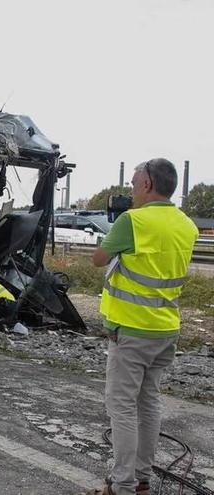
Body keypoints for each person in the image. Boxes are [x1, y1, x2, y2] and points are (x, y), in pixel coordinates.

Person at [86, 159, 198, 495]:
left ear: (147, 184)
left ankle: (121, 485)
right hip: (165, 330)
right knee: (148, 403)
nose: (132, 191)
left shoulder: (132, 221)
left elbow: (98, 259)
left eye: (135, 184)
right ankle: (142, 480)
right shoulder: (187, 224)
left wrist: (115, 230)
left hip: (132, 331)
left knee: (121, 407)